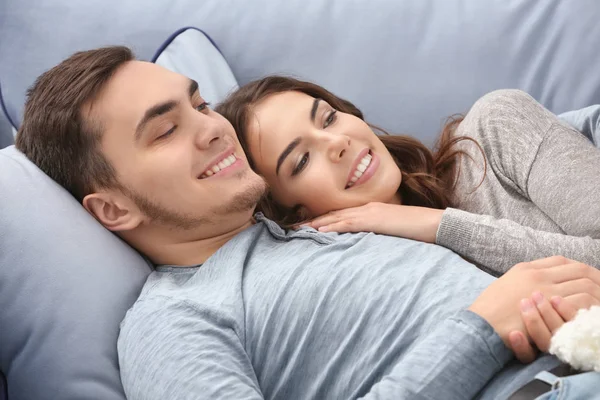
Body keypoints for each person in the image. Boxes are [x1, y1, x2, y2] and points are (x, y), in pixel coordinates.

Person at [15, 46, 600, 400]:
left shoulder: (329, 224)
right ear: (114, 208)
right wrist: (481, 327)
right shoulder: (175, 318)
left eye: (199, 106)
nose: (212, 128)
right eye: (166, 130)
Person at [216, 76, 600, 276]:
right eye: (301, 160)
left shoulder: (497, 127)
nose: (336, 143)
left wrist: (437, 225)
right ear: (293, 216)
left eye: (328, 117)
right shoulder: (385, 283)